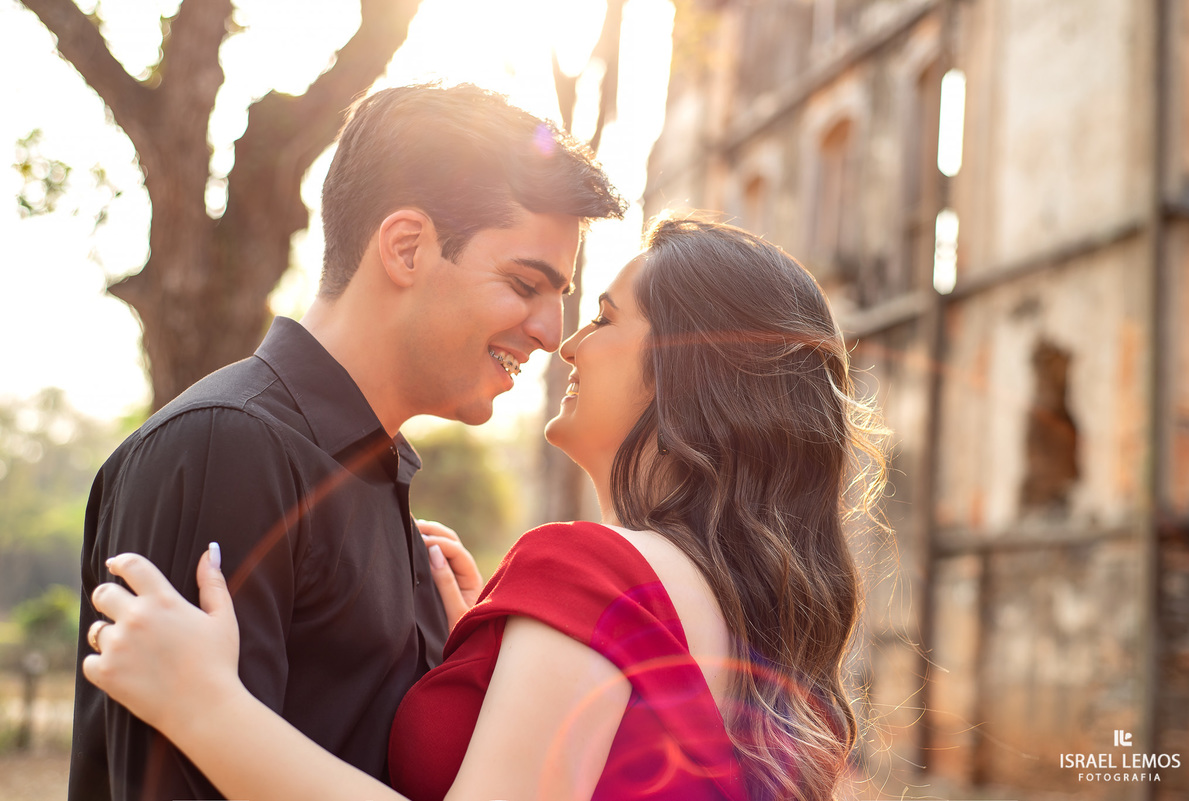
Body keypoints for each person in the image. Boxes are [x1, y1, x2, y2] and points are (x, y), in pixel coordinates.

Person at [83, 218, 890, 801]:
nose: (565, 344)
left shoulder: (594, 568)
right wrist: (501, 663)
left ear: (690, 368)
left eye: (605, 317)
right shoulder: (739, 618)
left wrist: (206, 706)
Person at [68, 83, 625, 801]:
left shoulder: (373, 475)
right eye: (525, 283)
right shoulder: (228, 449)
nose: (552, 331)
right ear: (405, 247)